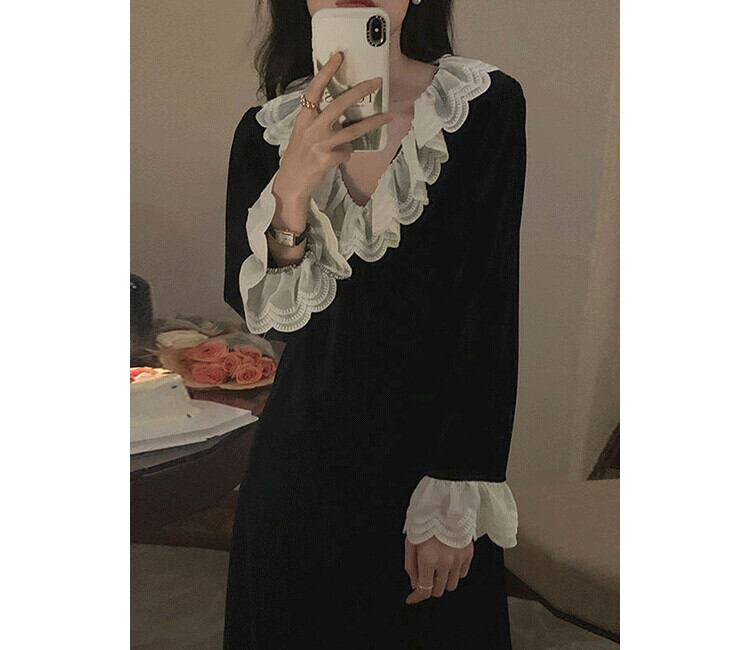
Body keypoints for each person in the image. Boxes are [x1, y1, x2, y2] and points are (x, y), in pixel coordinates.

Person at [223, 1, 526, 647]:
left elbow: (489, 310)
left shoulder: (481, 107)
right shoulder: (267, 132)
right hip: (301, 468)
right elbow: (270, 316)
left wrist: (456, 485)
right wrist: (293, 189)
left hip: (427, 465)